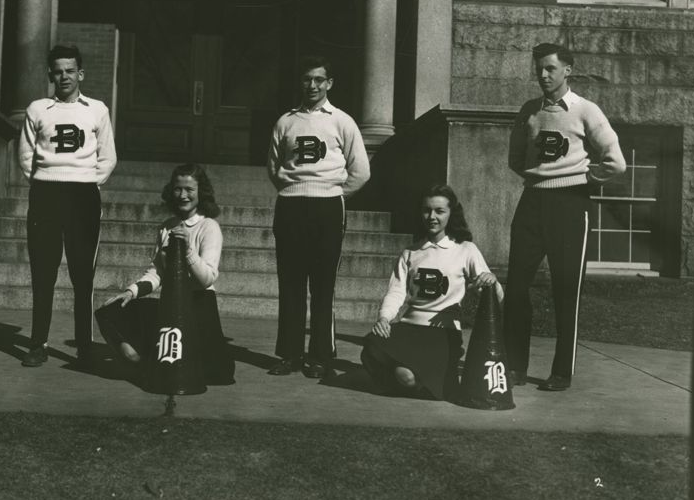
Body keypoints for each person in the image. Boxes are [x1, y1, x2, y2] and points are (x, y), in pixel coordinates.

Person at [504, 42, 626, 392]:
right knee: (515, 288)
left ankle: (562, 371)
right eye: (539, 69)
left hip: (571, 205)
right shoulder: (529, 110)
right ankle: (515, 367)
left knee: (566, 290)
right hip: (532, 202)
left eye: (550, 69)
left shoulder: (586, 110)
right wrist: (538, 175)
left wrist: (581, 178)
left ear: (567, 70)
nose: (543, 75)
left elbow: (616, 161)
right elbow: (515, 157)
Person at [266, 54, 370, 380]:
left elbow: (361, 171)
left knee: (323, 288)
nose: (312, 85)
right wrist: (294, 189)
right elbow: (273, 166)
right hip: (291, 207)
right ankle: (290, 355)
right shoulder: (286, 121)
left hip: (327, 208)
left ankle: (321, 357)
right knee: (291, 283)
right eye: (307, 79)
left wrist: (334, 193)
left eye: (318, 80)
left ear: (329, 83)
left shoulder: (342, 121)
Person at [18, 44, 117, 368]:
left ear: (80, 74)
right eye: (58, 71)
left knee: (82, 275)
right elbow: (26, 156)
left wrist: (86, 180)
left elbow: (107, 157)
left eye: (70, 70)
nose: (64, 76)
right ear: (50, 74)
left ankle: (85, 347)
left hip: (82, 197)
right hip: (46, 194)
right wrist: (48, 180)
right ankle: (37, 343)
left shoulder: (97, 110)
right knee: (43, 272)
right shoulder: (38, 109)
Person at [95, 163, 234, 385]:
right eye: (178, 189)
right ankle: (139, 362)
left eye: (190, 190)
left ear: (201, 193)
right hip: (171, 303)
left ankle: (152, 363)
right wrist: (131, 292)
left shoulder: (209, 227)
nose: (183, 195)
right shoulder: (166, 226)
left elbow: (207, 278)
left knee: (211, 373)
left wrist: (187, 250)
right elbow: (157, 273)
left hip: (199, 305)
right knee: (109, 311)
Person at [362, 185, 502, 401]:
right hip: (410, 328)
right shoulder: (411, 252)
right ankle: (415, 379)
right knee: (372, 344)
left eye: (439, 211)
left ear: (450, 214)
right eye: (427, 210)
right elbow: (396, 292)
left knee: (406, 376)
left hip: (443, 333)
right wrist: (384, 318)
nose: (432, 217)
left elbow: (497, 295)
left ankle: (419, 380)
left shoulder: (466, 249)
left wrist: (491, 281)